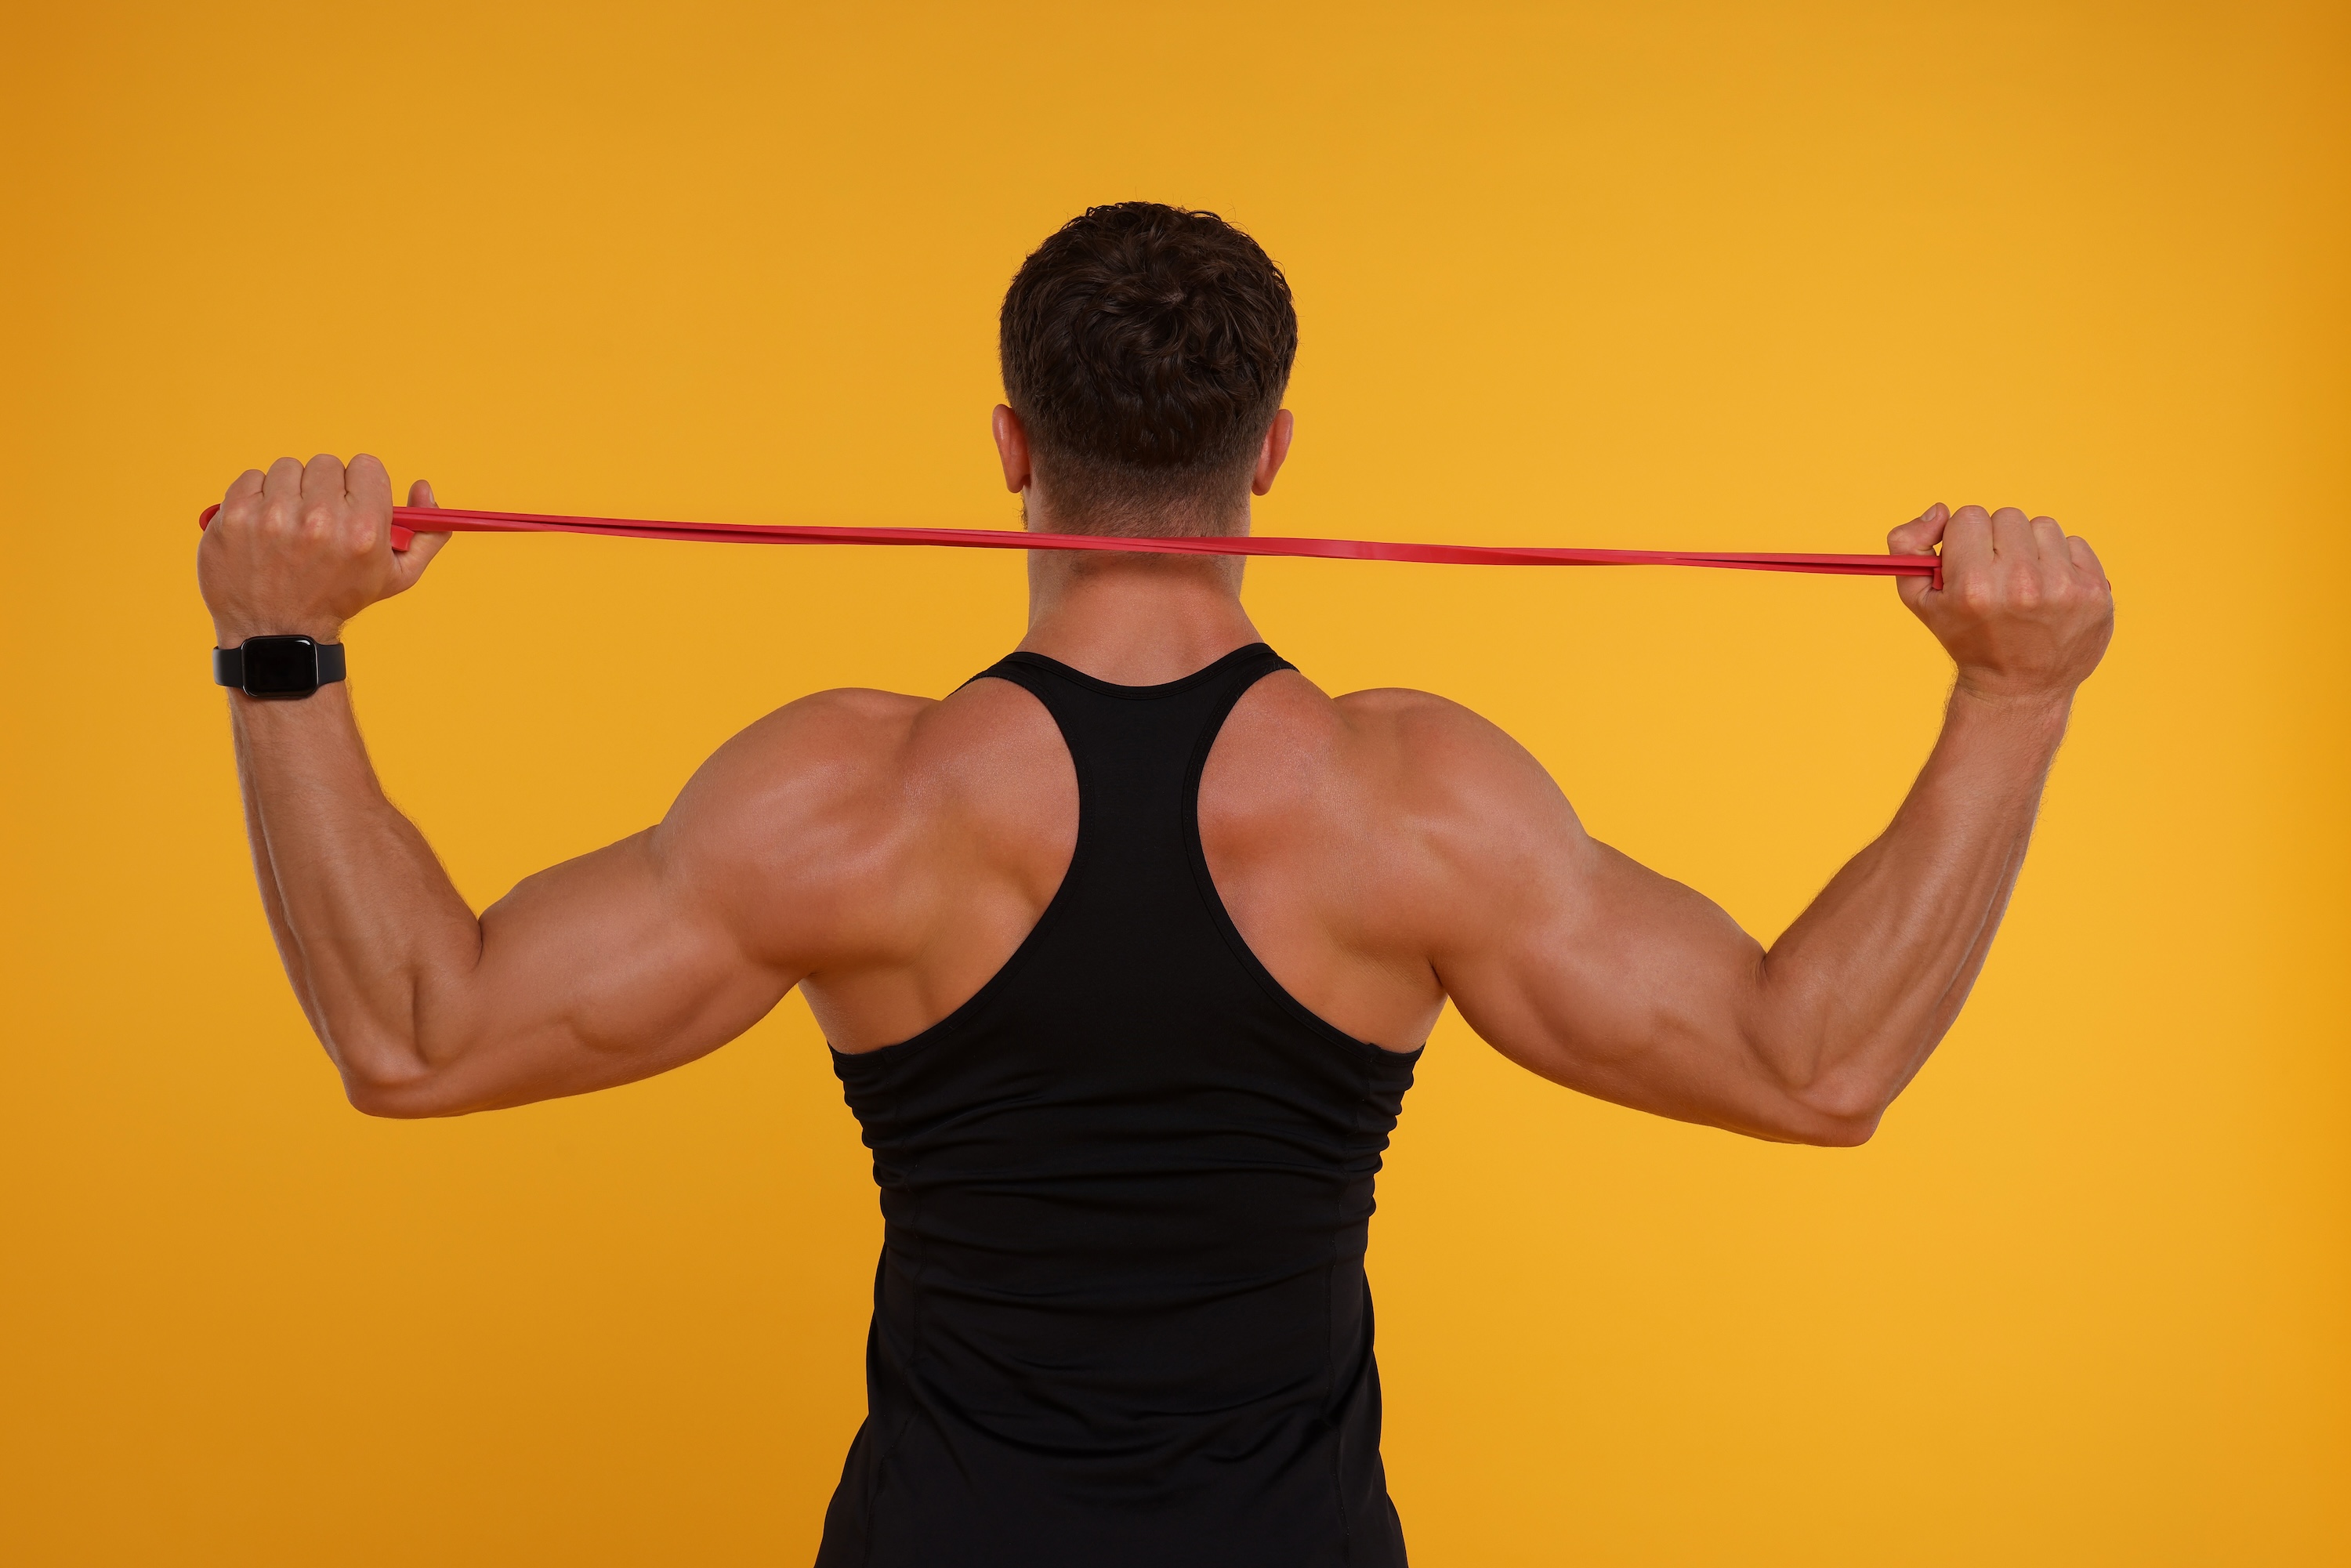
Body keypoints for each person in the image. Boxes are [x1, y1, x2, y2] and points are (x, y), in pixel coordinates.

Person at [196, 202, 2114, 1567]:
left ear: (1013, 449)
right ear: (1270, 451)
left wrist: (285, 649)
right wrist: (2013, 702)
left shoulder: (848, 799)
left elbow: (414, 1036)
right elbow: (1813, 1065)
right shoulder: (1412, 802)